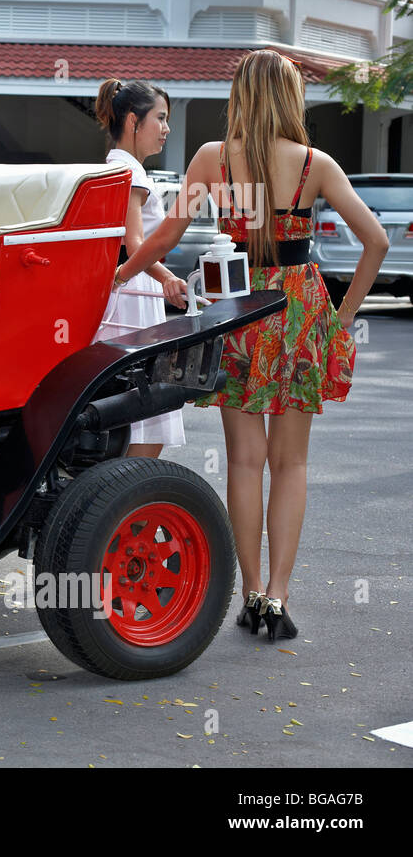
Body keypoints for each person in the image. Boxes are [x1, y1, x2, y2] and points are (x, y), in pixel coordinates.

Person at [114, 49, 388, 641]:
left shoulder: (215, 158)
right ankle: (278, 598)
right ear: (291, 98)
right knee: (291, 463)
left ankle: (249, 592)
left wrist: (114, 276)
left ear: (241, 96)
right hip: (298, 310)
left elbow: (167, 233)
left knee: (243, 460)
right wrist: (340, 319)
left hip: (239, 306)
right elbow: (377, 242)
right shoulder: (316, 162)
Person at [93, 79, 187, 456]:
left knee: (128, 417)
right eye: (160, 119)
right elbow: (134, 244)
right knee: (148, 419)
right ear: (133, 121)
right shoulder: (131, 174)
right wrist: (169, 279)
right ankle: (126, 506)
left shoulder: (112, 167)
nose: (167, 129)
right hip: (132, 296)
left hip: (126, 292)